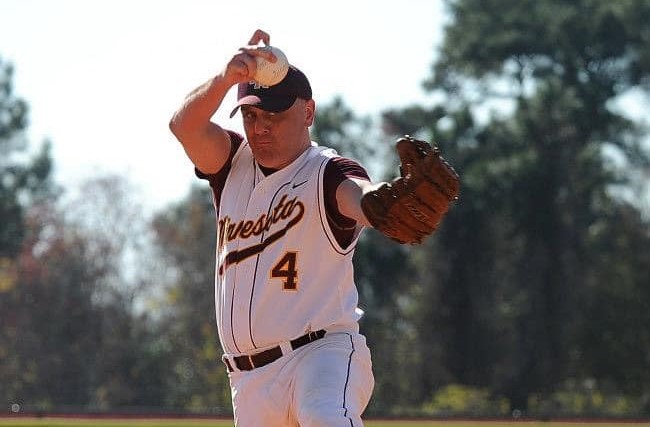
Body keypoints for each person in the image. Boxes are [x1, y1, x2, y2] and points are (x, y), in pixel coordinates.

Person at [169, 29, 379, 427]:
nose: (261, 127)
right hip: (248, 382)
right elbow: (185, 126)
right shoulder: (231, 163)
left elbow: (363, 198)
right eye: (251, 115)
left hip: (320, 356)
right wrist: (227, 78)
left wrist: (386, 203)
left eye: (275, 115)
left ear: (308, 113)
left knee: (325, 418)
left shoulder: (326, 172)